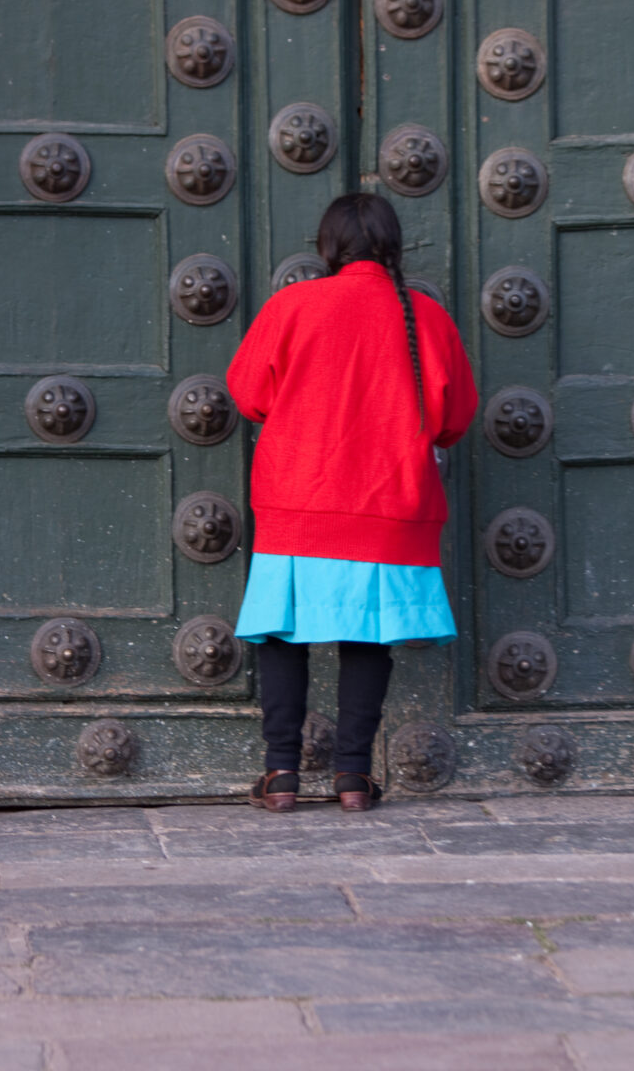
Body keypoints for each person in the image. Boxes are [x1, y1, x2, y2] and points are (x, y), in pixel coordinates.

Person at [226, 193, 477, 812]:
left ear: (327, 245)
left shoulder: (292, 306)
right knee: (370, 638)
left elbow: (248, 393)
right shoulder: (424, 318)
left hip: (299, 500)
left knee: (284, 635)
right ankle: (353, 777)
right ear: (393, 247)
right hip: (391, 503)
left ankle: (280, 774)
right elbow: (456, 418)